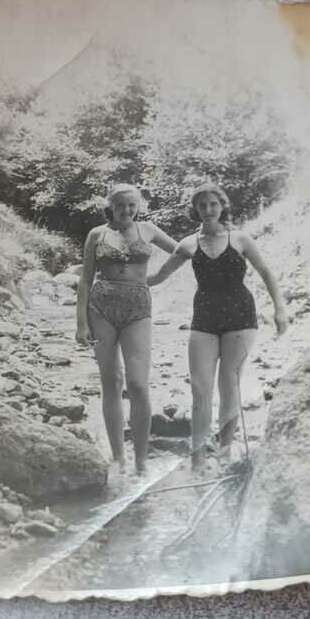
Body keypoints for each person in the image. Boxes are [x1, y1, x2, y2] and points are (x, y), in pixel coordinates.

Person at [147, 182, 287, 469]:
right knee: (200, 387)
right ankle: (197, 457)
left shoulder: (241, 239)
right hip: (204, 319)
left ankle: (224, 451)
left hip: (241, 317)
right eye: (202, 205)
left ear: (222, 206)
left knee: (229, 384)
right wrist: (123, 279)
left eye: (213, 204)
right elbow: (159, 276)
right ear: (195, 210)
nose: (208, 210)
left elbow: (267, 273)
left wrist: (280, 310)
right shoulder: (187, 244)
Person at [76, 184, 177, 474]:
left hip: (138, 308)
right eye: (120, 205)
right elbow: (85, 280)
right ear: (110, 206)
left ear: (139, 205)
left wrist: (159, 276)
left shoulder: (149, 229)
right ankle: (119, 458)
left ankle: (142, 460)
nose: (126, 210)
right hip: (100, 308)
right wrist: (81, 324)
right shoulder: (97, 234)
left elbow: (183, 251)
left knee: (138, 384)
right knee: (111, 382)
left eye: (131, 205)